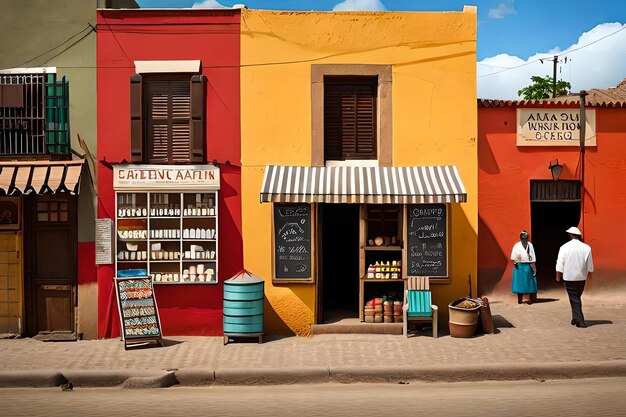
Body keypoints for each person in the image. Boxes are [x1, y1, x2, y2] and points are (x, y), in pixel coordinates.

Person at [556, 226, 594, 328]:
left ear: (570, 235)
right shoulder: (587, 247)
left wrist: (558, 276)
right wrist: (590, 274)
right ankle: (575, 318)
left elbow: (560, 263)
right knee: (576, 297)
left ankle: (580, 320)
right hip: (581, 277)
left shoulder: (564, 247)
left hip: (569, 277)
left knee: (574, 298)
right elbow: (590, 265)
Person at [510, 230, 537, 304]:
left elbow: (532, 257)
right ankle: (520, 300)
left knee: (528, 283)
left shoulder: (530, 245)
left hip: (527, 266)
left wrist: (533, 266)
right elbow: (513, 258)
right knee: (520, 283)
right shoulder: (517, 245)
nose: (524, 240)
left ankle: (528, 299)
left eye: (525, 238)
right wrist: (515, 262)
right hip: (519, 266)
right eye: (523, 238)